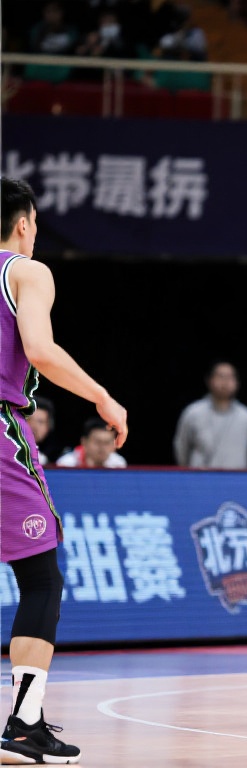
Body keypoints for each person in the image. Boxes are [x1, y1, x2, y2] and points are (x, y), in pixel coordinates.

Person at [0, 177, 128, 764]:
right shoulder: (27, 271)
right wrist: (103, 397)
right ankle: (24, 724)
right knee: (41, 577)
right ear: (24, 223)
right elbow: (40, 351)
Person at [172, 361, 247, 469]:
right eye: (220, 376)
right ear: (209, 380)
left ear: (237, 383)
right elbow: (181, 448)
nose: (225, 382)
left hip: (236, 476)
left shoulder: (246, 416)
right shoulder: (193, 412)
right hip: (200, 476)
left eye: (230, 377)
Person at [55, 416, 127, 468]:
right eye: (97, 442)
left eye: (107, 443)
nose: (102, 447)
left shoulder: (118, 464)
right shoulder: (66, 464)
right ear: (84, 442)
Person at [24, 395, 56, 466]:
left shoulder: (43, 461)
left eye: (40, 422)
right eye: (29, 419)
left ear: (48, 428)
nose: (34, 426)